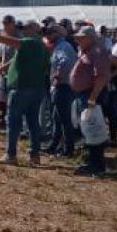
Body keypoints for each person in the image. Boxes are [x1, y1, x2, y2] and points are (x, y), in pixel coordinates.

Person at [0, 20, 48, 166]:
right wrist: (3, 67)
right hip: (36, 88)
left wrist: (0, 38)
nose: (23, 30)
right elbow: (16, 57)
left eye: (26, 27)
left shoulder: (30, 42)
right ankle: (35, 155)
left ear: (35, 29)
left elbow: (18, 43)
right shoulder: (42, 45)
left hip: (22, 87)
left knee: (13, 121)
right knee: (33, 122)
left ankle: (11, 155)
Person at [69, 26, 112, 175]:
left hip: (92, 95)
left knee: (94, 130)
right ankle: (92, 162)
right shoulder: (88, 51)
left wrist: (93, 98)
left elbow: (101, 77)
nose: (78, 40)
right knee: (88, 130)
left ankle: (97, 165)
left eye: (81, 38)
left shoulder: (97, 52)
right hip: (85, 95)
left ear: (90, 37)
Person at [46, 24, 77, 156]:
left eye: (50, 32)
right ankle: (54, 145)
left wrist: (57, 77)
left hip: (63, 87)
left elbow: (64, 62)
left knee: (64, 120)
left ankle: (68, 150)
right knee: (57, 119)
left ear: (57, 33)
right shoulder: (62, 46)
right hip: (64, 87)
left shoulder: (62, 46)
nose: (47, 35)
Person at [0, 15, 19, 129]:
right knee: (2, 97)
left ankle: (12, 120)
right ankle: (4, 118)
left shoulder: (18, 38)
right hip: (3, 72)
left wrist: (3, 67)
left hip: (14, 72)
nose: (6, 26)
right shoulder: (3, 36)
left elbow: (17, 57)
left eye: (8, 23)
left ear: (13, 24)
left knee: (12, 98)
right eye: (4, 24)